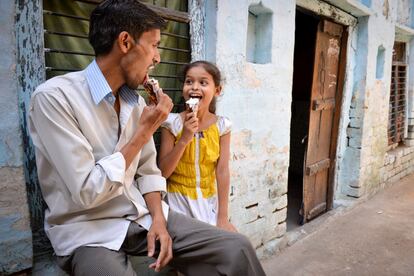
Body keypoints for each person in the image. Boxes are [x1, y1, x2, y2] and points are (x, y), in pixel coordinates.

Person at [28, 0, 266, 275]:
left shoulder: (138, 104)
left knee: (237, 247)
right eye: (154, 45)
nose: (157, 58)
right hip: (86, 230)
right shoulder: (54, 98)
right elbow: (86, 192)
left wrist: (159, 220)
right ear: (126, 42)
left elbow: (148, 172)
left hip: (141, 214)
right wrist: (144, 132)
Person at [158, 61, 237, 232]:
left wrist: (222, 217)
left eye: (203, 82)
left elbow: (222, 171)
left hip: (209, 203)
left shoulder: (222, 126)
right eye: (189, 81)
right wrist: (185, 137)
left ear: (217, 90)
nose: (194, 87)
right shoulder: (172, 124)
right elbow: (163, 173)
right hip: (177, 203)